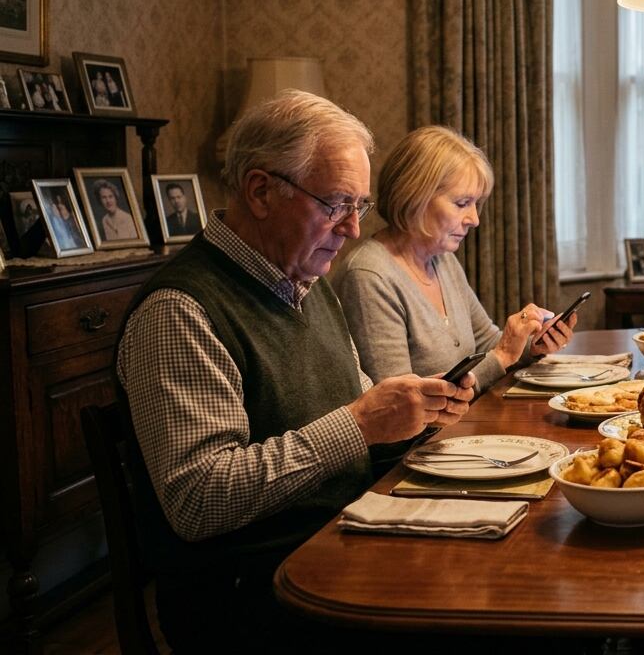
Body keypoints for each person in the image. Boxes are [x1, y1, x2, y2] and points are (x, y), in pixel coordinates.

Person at [115, 90, 476, 652]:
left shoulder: (306, 287)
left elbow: (359, 421)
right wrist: (359, 424)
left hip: (338, 544)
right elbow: (198, 499)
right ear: (260, 191)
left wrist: (418, 416)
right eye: (337, 204)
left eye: (361, 205)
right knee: (501, 622)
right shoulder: (180, 310)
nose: (355, 229)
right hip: (254, 596)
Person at [336, 125, 576, 387]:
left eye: (475, 204)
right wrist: (503, 355)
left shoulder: (442, 259)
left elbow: (487, 344)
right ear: (416, 196)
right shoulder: (369, 277)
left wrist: (530, 344)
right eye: (462, 204)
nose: (474, 219)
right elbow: (399, 406)